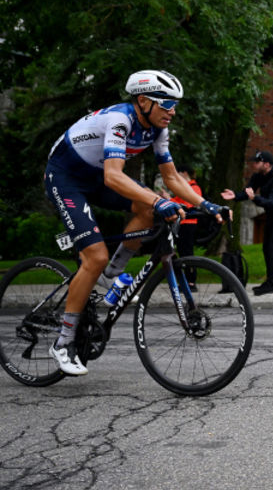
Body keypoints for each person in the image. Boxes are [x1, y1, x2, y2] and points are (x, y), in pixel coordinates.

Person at [44, 69, 226, 376]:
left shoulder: (157, 130)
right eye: (166, 103)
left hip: (97, 177)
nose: (173, 111)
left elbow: (170, 178)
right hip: (67, 179)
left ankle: (110, 275)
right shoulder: (121, 120)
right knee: (96, 255)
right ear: (143, 101)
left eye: (175, 104)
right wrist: (158, 199)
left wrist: (205, 204)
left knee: (146, 210)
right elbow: (114, 176)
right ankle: (62, 343)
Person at [221, 150, 273, 296]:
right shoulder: (258, 176)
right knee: (266, 247)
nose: (253, 164)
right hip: (272, 216)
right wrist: (235, 195)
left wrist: (255, 198)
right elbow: (248, 192)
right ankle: (270, 281)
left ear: (266, 164)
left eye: (256, 162)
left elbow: (272, 203)